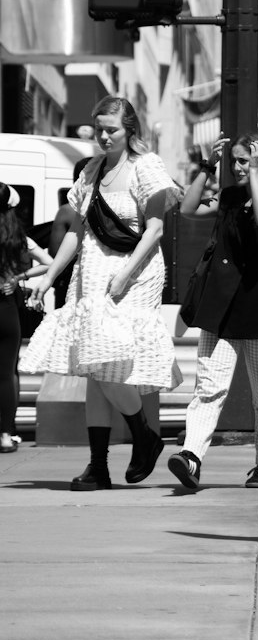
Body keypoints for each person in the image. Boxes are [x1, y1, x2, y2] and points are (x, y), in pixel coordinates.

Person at [22, 100, 181, 488]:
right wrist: (49, 277)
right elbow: (77, 232)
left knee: (106, 364)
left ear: (129, 129)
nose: (104, 136)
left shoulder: (146, 167)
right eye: (99, 129)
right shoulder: (92, 171)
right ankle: (100, 465)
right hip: (91, 276)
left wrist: (125, 274)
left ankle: (143, 434)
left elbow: (155, 229)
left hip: (135, 276)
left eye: (111, 129)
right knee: (94, 369)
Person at [167, 133, 258, 492]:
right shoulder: (229, 197)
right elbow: (187, 209)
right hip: (221, 306)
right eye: (234, 160)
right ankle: (191, 457)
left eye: (244, 160)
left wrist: (257, 174)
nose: (237, 167)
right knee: (208, 387)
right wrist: (205, 166)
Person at [0, 183, 54, 453]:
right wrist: (18, 277)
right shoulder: (18, 238)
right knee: (7, 373)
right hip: (6, 308)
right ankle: (6, 434)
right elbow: (49, 262)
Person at [49, 158, 90, 308]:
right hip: (102, 282)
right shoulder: (114, 207)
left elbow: (54, 253)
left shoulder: (67, 211)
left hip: (69, 284)